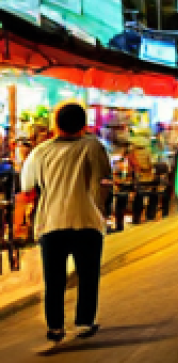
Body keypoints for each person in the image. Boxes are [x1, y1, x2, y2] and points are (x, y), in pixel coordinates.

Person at [21, 102, 112, 343]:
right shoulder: (93, 147)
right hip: (86, 222)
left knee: (54, 279)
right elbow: (101, 184)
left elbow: (27, 185)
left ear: (56, 124)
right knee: (88, 275)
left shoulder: (40, 151)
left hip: (51, 222)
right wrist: (103, 212)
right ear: (83, 124)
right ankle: (83, 322)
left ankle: (55, 327)